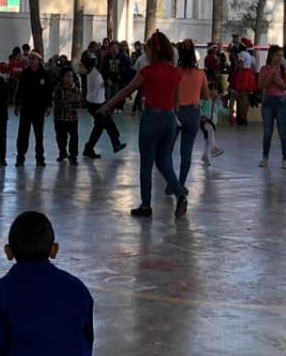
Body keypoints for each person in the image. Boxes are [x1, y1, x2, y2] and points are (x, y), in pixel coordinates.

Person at [0, 211, 95, 356]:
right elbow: (86, 340)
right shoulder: (77, 289)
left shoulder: (0, 291)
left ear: (8, 252)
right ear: (54, 250)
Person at [99, 32, 189, 219]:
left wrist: (108, 104)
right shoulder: (175, 73)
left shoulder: (147, 72)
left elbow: (127, 90)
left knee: (147, 163)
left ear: (151, 51)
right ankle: (180, 193)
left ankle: (146, 205)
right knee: (164, 161)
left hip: (151, 119)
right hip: (169, 119)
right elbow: (177, 102)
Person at [81, 44, 125, 160]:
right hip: (98, 105)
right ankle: (114, 143)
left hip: (95, 104)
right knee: (108, 125)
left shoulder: (92, 74)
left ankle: (90, 148)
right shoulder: (95, 75)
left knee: (100, 127)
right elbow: (108, 82)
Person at [175, 41, 208, 184]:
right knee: (186, 152)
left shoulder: (175, 72)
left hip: (176, 112)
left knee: (167, 149)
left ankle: (171, 182)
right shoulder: (200, 74)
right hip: (193, 112)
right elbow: (206, 95)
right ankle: (181, 183)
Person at [15, 50, 54, 167]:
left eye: (33, 58)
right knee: (23, 133)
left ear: (39, 60)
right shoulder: (24, 74)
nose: (31, 61)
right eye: (30, 58)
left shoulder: (45, 75)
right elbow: (19, 91)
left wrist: (49, 106)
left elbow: (48, 92)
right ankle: (20, 157)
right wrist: (17, 104)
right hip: (26, 108)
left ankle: (40, 158)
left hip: (39, 109)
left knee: (39, 134)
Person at [258, 45, 286, 169]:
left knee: (283, 132)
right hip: (268, 102)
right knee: (267, 132)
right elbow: (261, 86)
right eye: (277, 55)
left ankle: (285, 159)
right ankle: (265, 157)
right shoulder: (264, 69)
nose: (280, 58)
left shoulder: (285, 70)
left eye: (281, 55)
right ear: (271, 55)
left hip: (281, 102)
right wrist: (271, 77)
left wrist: (277, 82)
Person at [53, 66, 83, 165]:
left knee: (74, 137)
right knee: (61, 137)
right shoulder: (58, 88)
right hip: (60, 117)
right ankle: (62, 152)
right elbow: (57, 102)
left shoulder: (76, 89)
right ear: (62, 77)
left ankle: (73, 156)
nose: (69, 79)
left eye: (71, 76)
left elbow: (79, 103)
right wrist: (70, 101)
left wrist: (76, 101)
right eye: (67, 76)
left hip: (72, 118)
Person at [231, 41, 257, 125]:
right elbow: (253, 67)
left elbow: (240, 65)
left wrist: (236, 63)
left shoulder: (241, 54)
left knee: (242, 96)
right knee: (245, 96)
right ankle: (244, 116)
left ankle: (242, 116)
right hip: (249, 74)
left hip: (243, 75)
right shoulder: (249, 55)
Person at [199, 83, 224, 166]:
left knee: (207, 139)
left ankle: (205, 156)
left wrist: (229, 112)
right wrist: (202, 115)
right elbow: (199, 107)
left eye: (215, 89)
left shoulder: (218, 100)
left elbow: (220, 110)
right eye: (211, 89)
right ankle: (214, 147)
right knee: (210, 130)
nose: (213, 91)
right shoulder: (205, 98)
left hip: (213, 121)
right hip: (205, 120)